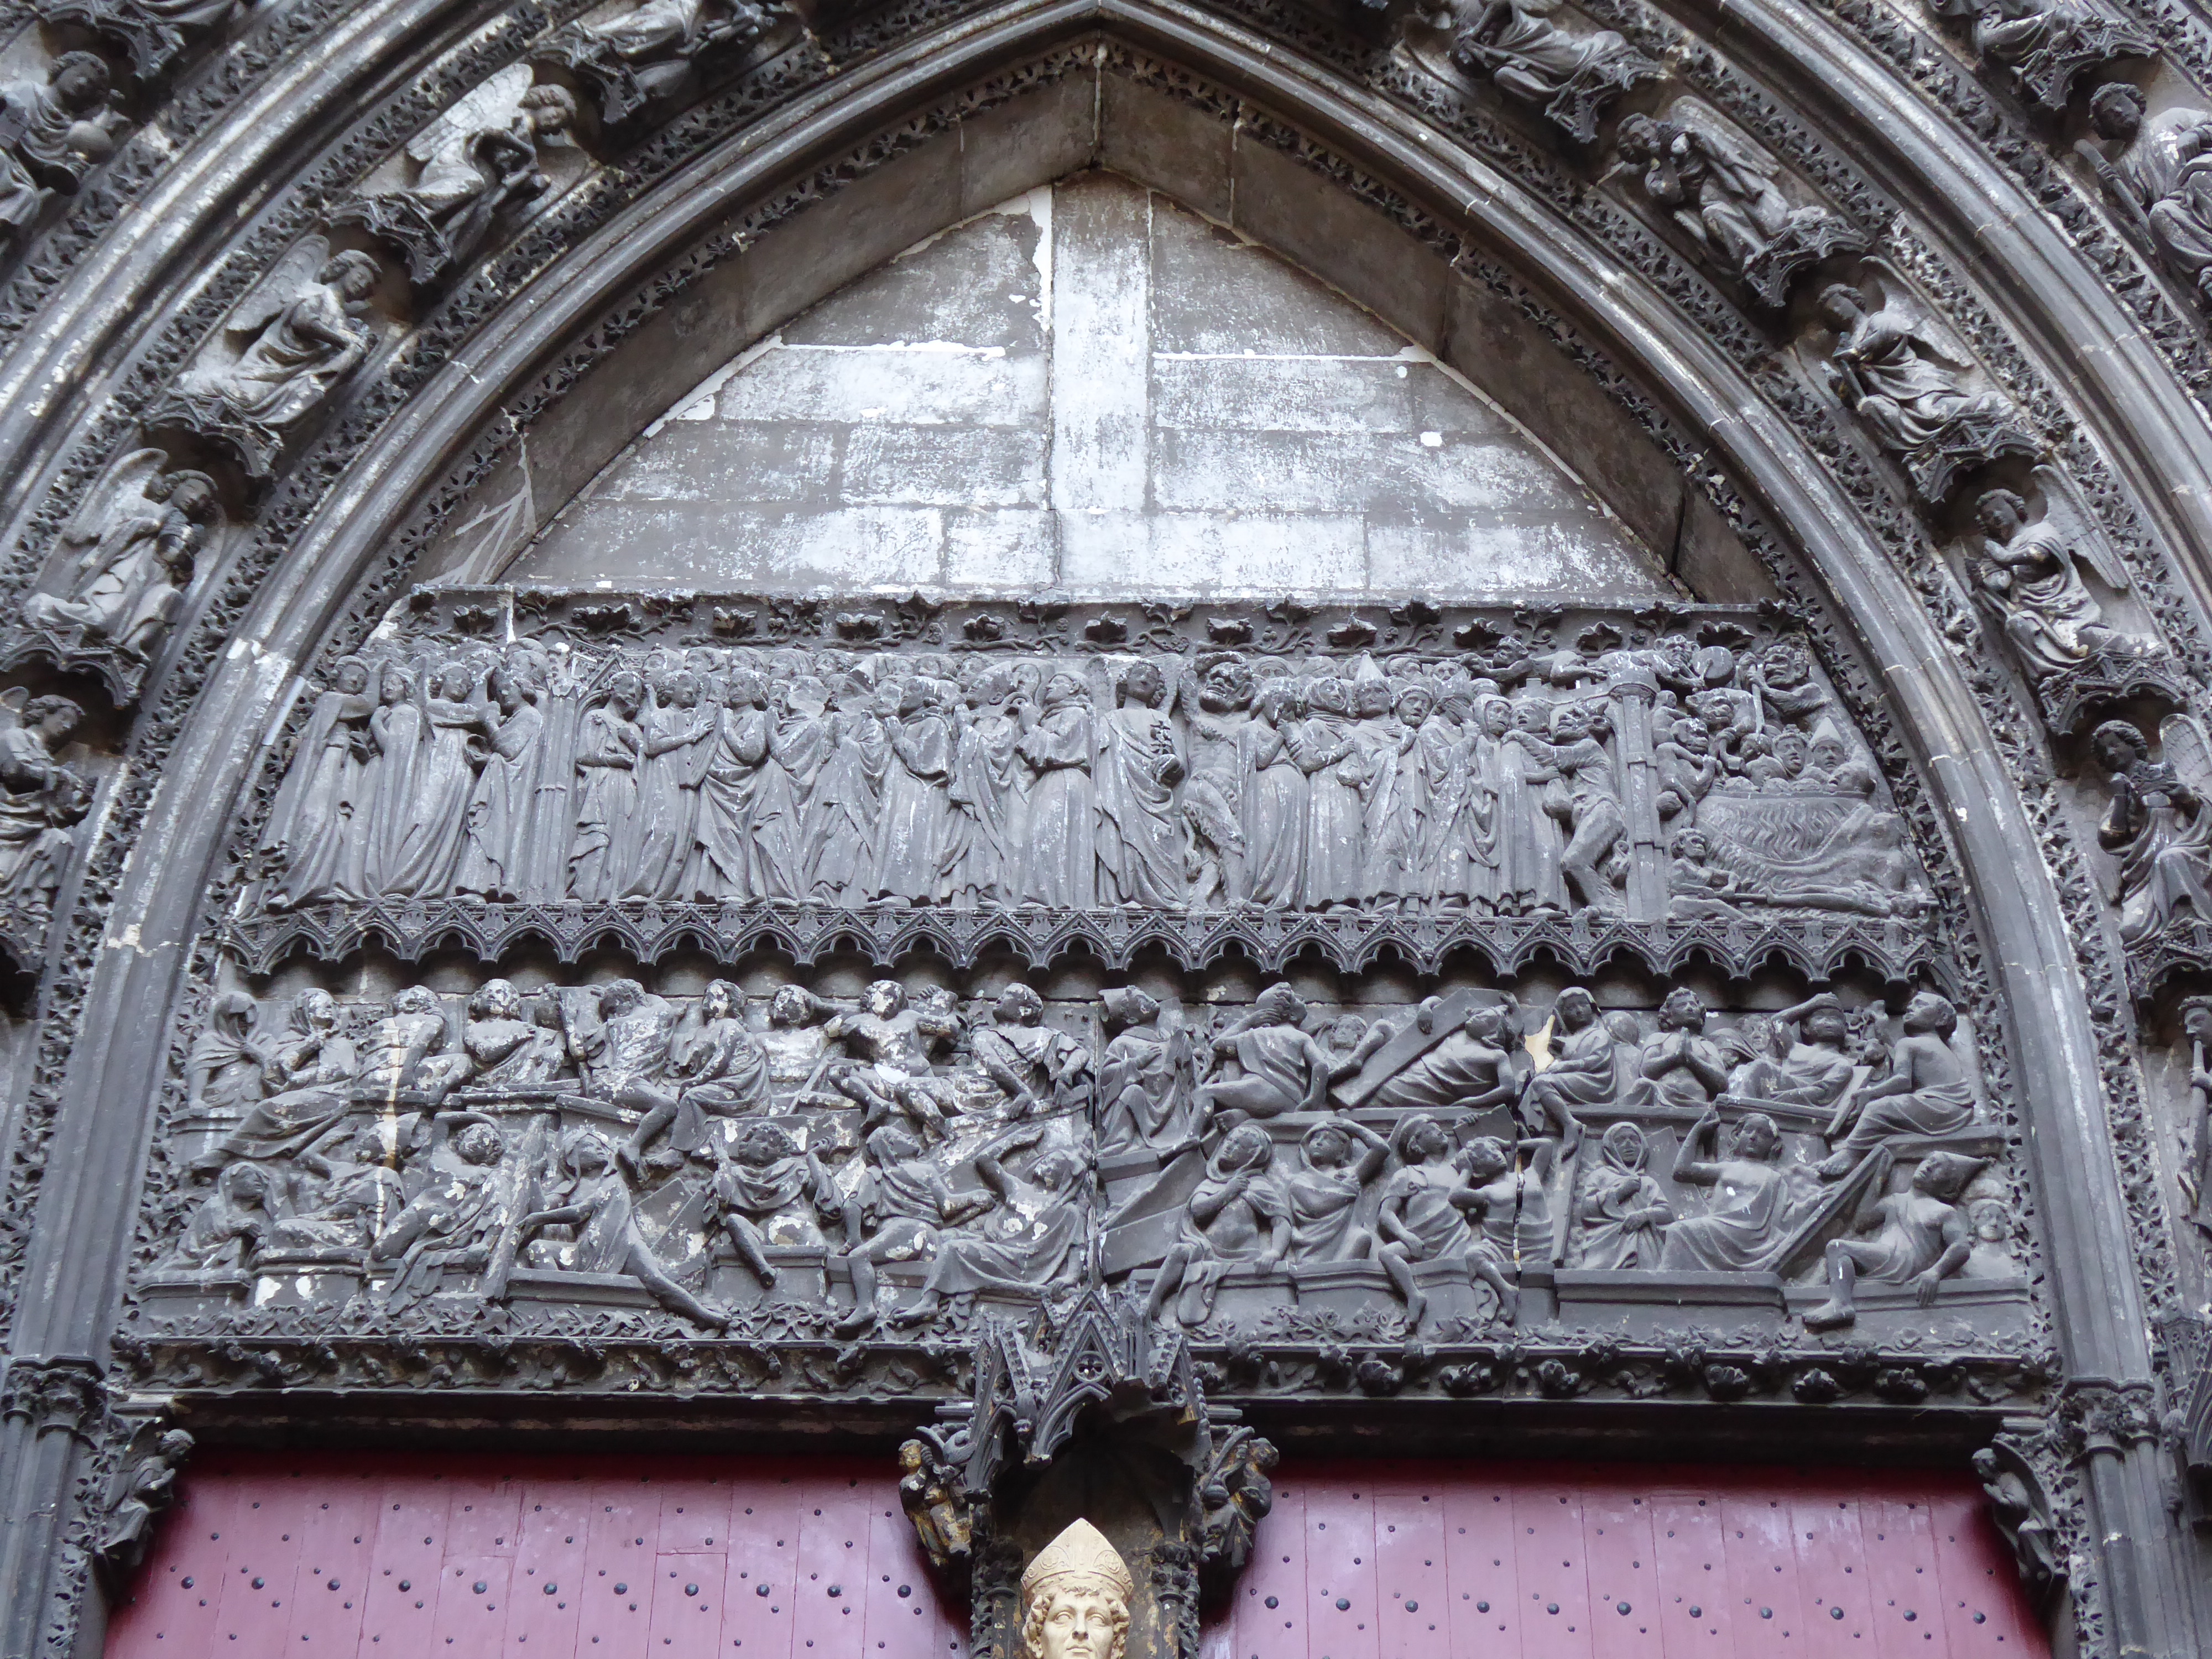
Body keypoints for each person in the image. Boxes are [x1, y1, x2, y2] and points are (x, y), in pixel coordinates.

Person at [514, 1128, 731, 1328]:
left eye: (600, 1145)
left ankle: (701, 1314)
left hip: (626, 1243)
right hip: (585, 1250)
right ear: (572, 1158)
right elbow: (542, 1207)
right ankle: (559, 1306)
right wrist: (534, 1175)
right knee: (538, 1249)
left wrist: (537, 1219)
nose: (599, 1149)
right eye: (589, 1146)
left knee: (656, 1281)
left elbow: (582, 1211)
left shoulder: (612, 1181)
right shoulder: (569, 1188)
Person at [1803, 1151, 1981, 1331]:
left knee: (1837, 1248)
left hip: (1903, 1261)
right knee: (1835, 1258)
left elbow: (1961, 1247)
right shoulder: (1895, 1201)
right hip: (1885, 1256)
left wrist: (1935, 1272)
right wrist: (1879, 1179)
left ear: (1949, 1187)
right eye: (1929, 1161)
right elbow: (1861, 1223)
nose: (1929, 1167)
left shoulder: (1943, 1211)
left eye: (1939, 1168)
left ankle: (1841, 1304)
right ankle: (1835, 1298)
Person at [1375, 1115, 1519, 1326]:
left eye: (1439, 1127)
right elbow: (1386, 1215)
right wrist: (1405, 1236)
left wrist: (1467, 1124)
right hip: (1420, 1239)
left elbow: (1485, 1151)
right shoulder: (1408, 1174)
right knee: (1387, 1254)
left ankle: (1504, 1292)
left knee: (1476, 1260)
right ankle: (1414, 1295)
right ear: (1416, 1144)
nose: (1440, 1131)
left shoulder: (1457, 1168)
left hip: (1456, 1236)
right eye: (1431, 1130)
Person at [1146, 1124, 1290, 1328]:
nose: (1229, 1146)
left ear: (1251, 1156)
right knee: (1179, 1251)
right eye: (1229, 1140)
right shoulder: (1212, 1183)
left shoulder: (1257, 1185)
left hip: (1243, 1256)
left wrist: (1274, 1253)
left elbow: (1281, 1221)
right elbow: (1198, 1210)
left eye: (1238, 1145)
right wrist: (1228, 1192)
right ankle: (1152, 1302)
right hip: (1207, 1251)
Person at [1819, 993, 1975, 1175]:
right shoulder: (1939, 1046)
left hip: (1937, 1108)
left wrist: (1871, 1093)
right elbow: (1907, 1064)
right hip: (1959, 1110)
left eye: (1920, 1005)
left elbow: (1903, 1081)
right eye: (1911, 1005)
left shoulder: (1908, 1043)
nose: (1910, 1008)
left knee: (1876, 1109)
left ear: (1942, 1019)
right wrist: (1882, 1033)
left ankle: (1851, 1152)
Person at [1572, 1121, 1672, 1269]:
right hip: (1608, 1237)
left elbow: (1667, 1212)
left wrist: (1643, 1216)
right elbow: (1587, 1210)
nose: (1628, 1144)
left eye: (1634, 1139)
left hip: (1643, 1240)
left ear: (1643, 1146)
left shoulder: (1647, 1182)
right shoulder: (1601, 1176)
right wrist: (1620, 1192)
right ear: (1610, 1148)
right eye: (1620, 1140)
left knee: (1643, 1239)